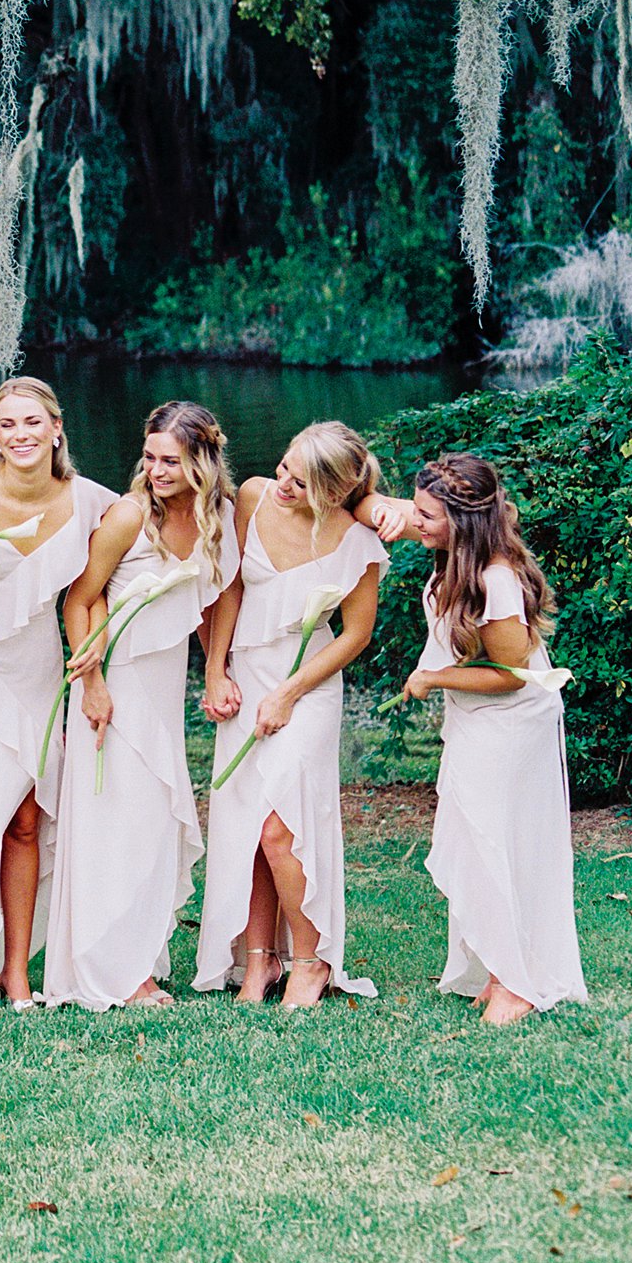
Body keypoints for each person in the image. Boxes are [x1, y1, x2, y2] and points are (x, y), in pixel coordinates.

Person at [369, 452, 586, 1024]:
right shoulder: (448, 551)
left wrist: (435, 676)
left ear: (463, 523)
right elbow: (371, 502)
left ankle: (517, 983)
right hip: (474, 718)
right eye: (415, 511)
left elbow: (513, 673)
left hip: (512, 722)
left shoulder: (495, 579)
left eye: (428, 517)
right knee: (473, 838)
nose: (416, 523)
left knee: (495, 841)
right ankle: (495, 971)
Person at [45, 400, 237, 1010]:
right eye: (150, 457)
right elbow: (80, 600)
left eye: (171, 461)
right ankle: (116, 973)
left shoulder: (219, 516)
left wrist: (215, 669)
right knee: (113, 824)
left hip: (161, 683)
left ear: (203, 461)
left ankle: (140, 955)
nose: (156, 471)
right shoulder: (130, 516)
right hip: (113, 683)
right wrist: (92, 681)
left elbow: (221, 594)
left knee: (151, 827)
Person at [0, 377, 114, 1011]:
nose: (21, 435)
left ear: (56, 427)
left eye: (32, 422)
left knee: (24, 821)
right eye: (8, 424)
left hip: (39, 672)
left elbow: (157, 534)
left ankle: (18, 970)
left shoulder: (92, 502)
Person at [197, 423, 387, 1008]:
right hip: (245, 672)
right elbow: (228, 589)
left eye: (301, 483)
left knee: (284, 829)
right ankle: (259, 960)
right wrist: (215, 669)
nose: (283, 484)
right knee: (250, 827)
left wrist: (289, 692)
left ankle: (311, 960)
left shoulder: (357, 541)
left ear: (334, 491)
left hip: (308, 686)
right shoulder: (252, 498)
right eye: (283, 468)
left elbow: (356, 635)